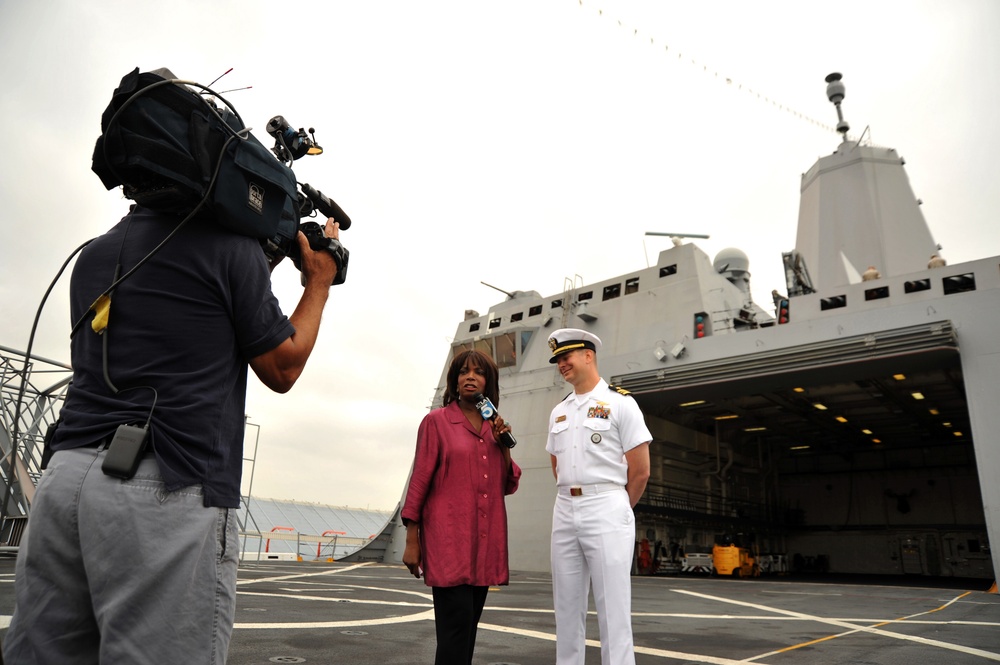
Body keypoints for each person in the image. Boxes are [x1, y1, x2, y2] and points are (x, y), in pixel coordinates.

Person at [3, 122, 339, 662]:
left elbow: (185, 311)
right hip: (165, 484)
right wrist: (318, 279)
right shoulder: (232, 252)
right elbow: (282, 365)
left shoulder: (95, 254)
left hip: (64, 482)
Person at [402, 349, 521, 665]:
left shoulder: (492, 428)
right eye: (464, 372)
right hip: (448, 541)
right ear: (454, 381)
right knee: (455, 629)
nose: (471, 377)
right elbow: (420, 480)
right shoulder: (436, 422)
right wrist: (412, 540)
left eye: (478, 372)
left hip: (483, 543)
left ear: (488, 383)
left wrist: (503, 444)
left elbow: (507, 483)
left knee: (468, 629)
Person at [545, 328, 652, 665]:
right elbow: (557, 465)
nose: (561, 364)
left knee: (613, 609)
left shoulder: (621, 403)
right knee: (566, 606)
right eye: (558, 360)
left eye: (567, 357)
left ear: (588, 355)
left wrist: (619, 506)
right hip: (564, 508)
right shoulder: (558, 411)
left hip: (606, 504)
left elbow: (641, 470)